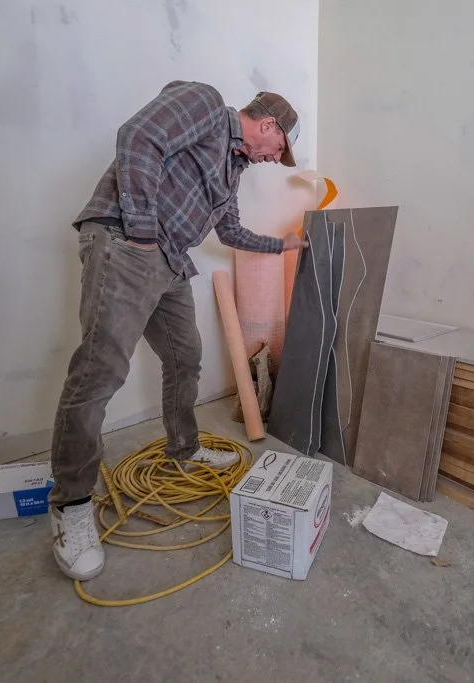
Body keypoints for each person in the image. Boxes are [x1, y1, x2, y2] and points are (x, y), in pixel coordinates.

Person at [47, 82, 304, 580]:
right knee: (99, 371)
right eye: (280, 148)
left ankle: (184, 449)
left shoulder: (233, 170)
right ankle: (71, 505)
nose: (276, 158)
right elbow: (138, 136)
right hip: (127, 242)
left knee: (186, 358)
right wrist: (143, 231)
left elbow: (230, 232)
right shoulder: (206, 104)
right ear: (268, 125)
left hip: (169, 261)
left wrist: (283, 246)